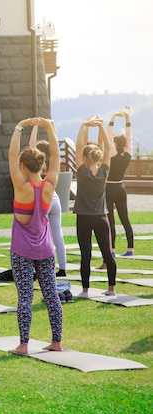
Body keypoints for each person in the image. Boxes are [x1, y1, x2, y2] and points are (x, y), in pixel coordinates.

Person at [7, 117, 63, 355]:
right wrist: (50, 127)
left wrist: (19, 126)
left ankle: (24, 344)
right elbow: (57, 157)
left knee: (25, 297)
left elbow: (11, 155)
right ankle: (57, 342)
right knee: (51, 294)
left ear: (23, 166)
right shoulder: (50, 184)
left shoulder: (21, 187)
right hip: (46, 250)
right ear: (42, 165)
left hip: (22, 251)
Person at [73, 116, 117, 297]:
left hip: (84, 217)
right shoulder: (104, 171)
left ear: (84, 158)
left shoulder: (82, 171)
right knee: (107, 253)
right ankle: (111, 289)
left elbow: (78, 147)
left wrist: (84, 125)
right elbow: (108, 148)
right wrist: (101, 127)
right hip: (101, 217)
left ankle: (85, 290)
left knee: (86, 254)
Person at [30, 124, 68, 277]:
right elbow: (56, 150)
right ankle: (63, 268)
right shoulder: (53, 162)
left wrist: (34, 126)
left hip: (42, 200)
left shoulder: (36, 164)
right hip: (55, 198)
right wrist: (51, 127)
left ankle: (37, 267)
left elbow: (31, 146)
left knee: (37, 235)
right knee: (57, 234)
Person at [104, 110, 134, 261]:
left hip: (109, 188)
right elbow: (130, 137)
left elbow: (108, 136)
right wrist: (127, 119)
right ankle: (130, 248)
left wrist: (112, 118)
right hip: (121, 188)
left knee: (111, 220)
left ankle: (112, 250)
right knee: (125, 218)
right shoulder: (128, 154)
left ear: (115, 144)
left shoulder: (113, 154)